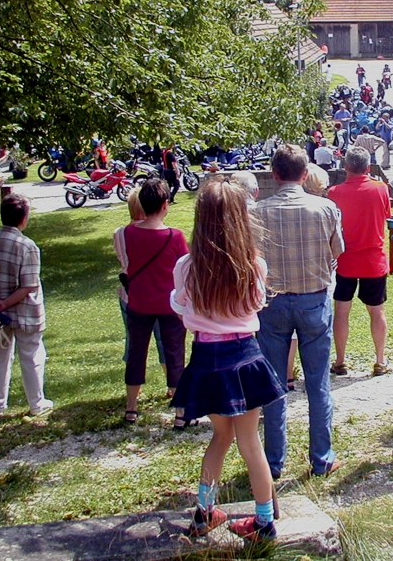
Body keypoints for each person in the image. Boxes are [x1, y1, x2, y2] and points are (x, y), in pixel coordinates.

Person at [169, 178, 287, 541]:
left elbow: (179, 306)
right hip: (244, 355)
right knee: (250, 441)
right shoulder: (254, 265)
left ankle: (204, 513)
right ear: (241, 218)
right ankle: (263, 522)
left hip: (206, 357)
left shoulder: (186, 266)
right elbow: (256, 304)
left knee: (219, 437)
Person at [252, 145, 345, 478]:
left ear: (275, 174)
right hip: (313, 300)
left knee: (274, 384)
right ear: (305, 175)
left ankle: (273, 461)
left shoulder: (257, 212)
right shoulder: (326, 208)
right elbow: (338, 250)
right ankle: (321, 457)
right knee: (317, 382)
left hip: (273, 302)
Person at [0, 193, 52, 417]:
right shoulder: (27, 246)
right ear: (24, 218)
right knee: (31, 354)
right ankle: (36, 403)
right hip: (24, 311)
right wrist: (4, 303)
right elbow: (28, 286)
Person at [121, 179, 189, 424]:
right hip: (168, 304)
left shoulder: (129, 233)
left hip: (139, 302)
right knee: (175, 353)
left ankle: (131, 407)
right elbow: (185, 266)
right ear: (165, 204)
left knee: (136, 352)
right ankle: (180, 412)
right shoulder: (175, 236)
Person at [327, 147, 393, 377]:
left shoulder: (334, 193)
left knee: (341, 310)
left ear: (346, 167)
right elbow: (387, 215)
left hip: (345, 260)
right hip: (373, 260)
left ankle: (340, 360)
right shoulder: (380, 188)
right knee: (377, 311)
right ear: (368, 167)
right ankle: (380, 360)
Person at [114, 190, 167, 376]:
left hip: (130, 294)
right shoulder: (163, 233)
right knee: (165, 342)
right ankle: (172, 383)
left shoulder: (119, 233)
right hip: (158, 295)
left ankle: (133, 384)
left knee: (134, 343)